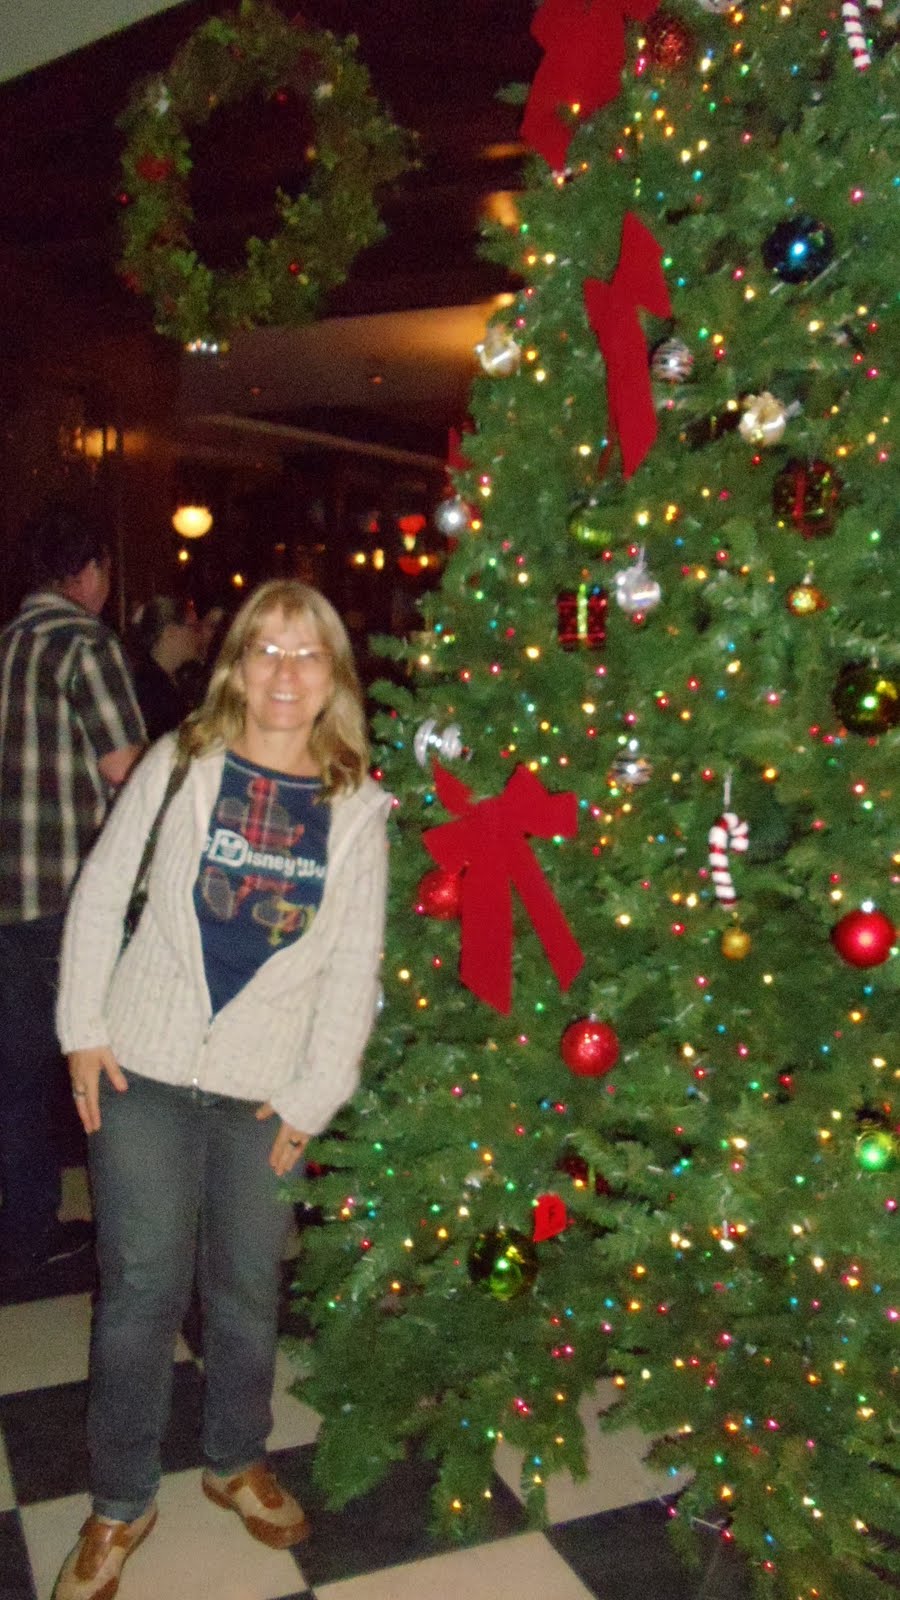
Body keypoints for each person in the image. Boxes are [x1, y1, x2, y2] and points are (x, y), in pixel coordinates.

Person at [52, 579, 391, 1600]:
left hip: (265, 1091)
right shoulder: (181, 763)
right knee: (140, 1290)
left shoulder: (358, 808)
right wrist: (82, 1029)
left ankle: (235, 1457)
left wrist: (315, 1096)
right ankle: (120, 1501)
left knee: (247, 1289)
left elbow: (354, 968)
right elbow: (100, 892)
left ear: (333, 676)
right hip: (143, 1067)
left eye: (307, 652)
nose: (285, 671)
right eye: (265, 649)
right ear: (237, 665)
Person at [0, 502, 145, 1284]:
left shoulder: (7, 644)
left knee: (16, 1079)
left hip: (5, 897)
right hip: (68, 897)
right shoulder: (84, 643)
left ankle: (26, 1234)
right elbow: (129, 771)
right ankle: (133, 1230)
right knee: (111, 1070)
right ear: (88, 571)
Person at [127, 595, 202, 740]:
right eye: (193, 628)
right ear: (170, 632)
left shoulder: (178, 682)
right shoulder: (150, 688)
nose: (198, 636)